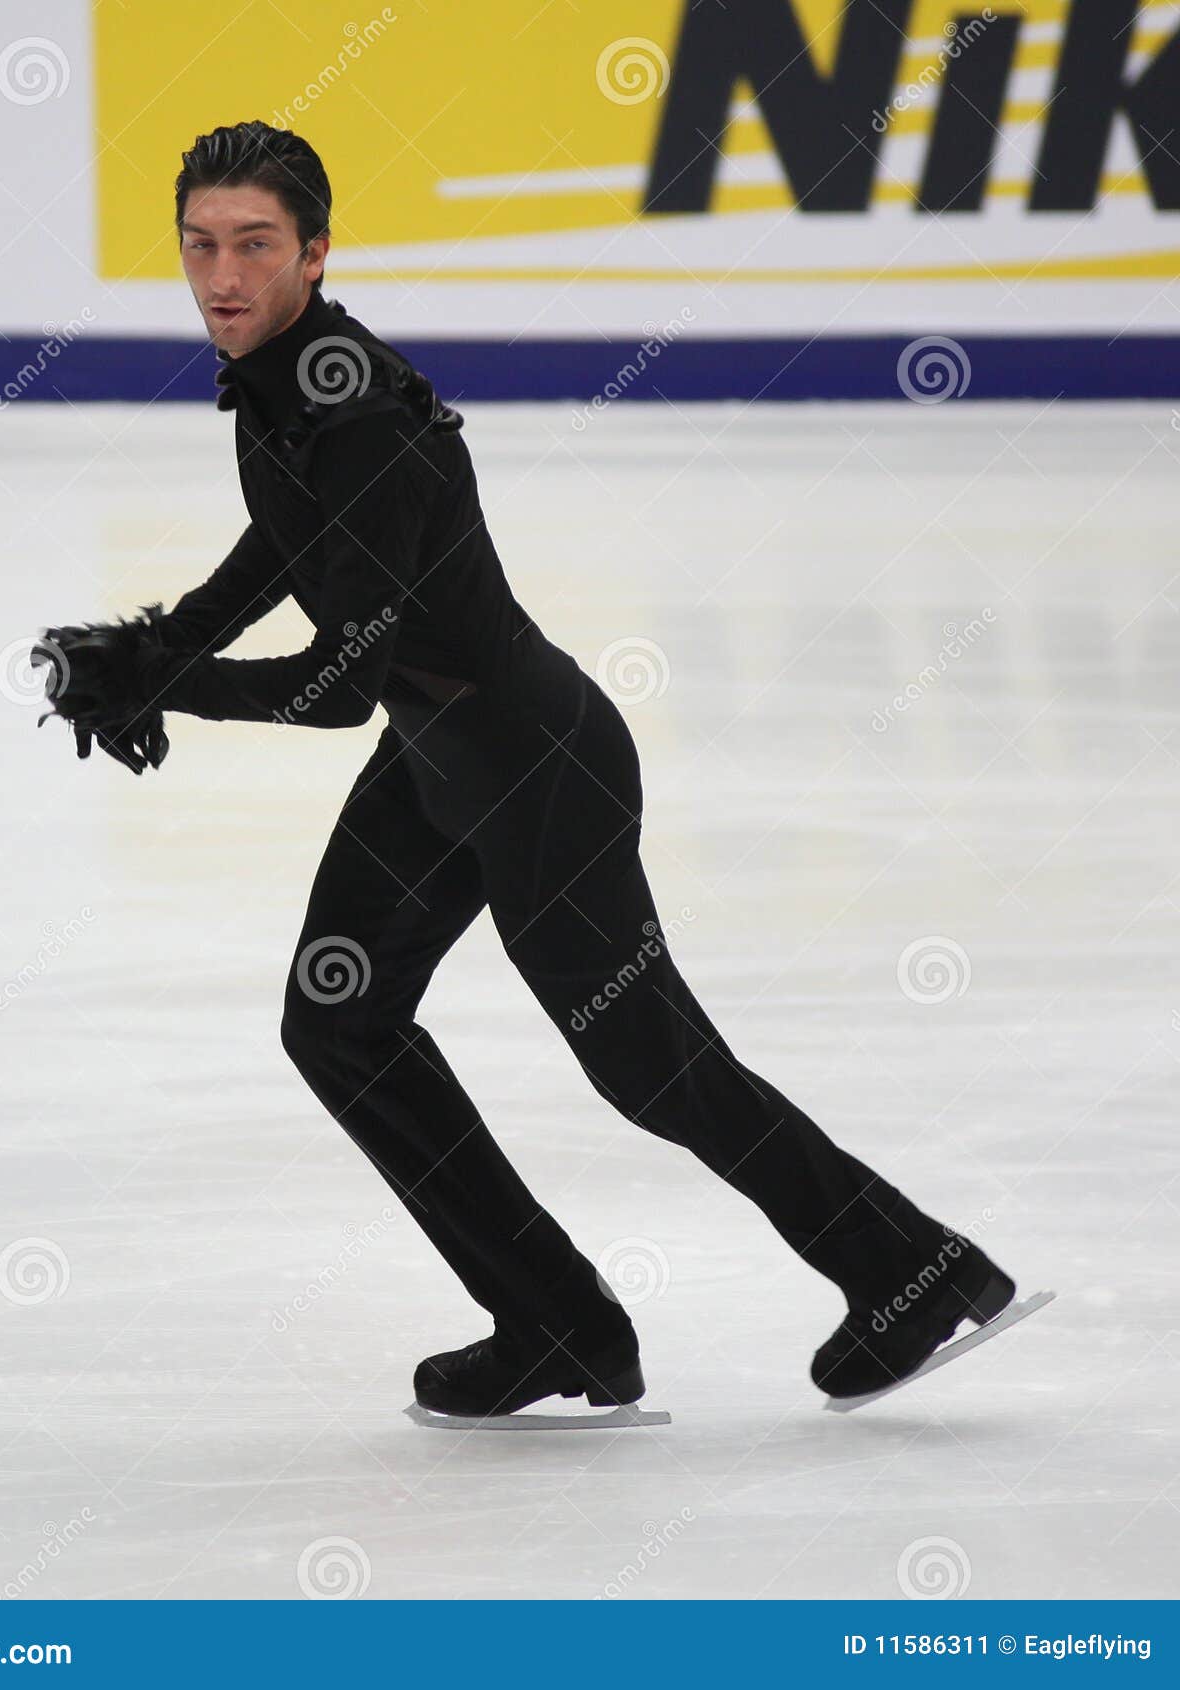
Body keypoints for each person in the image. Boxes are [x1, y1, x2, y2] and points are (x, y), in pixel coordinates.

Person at [88, 121, 1019, 1417]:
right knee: (338, 1020)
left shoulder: (353, 411)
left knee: (651, 1066)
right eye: (201, 245)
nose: (224, 275)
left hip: (534, 766)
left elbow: (334, 685)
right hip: (441, 762)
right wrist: (149, 648)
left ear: (315, 251)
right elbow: (281, 546)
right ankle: (556, 1322)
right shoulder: (283, 383)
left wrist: (164, 682)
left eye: (255, 244)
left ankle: (913, 1267)